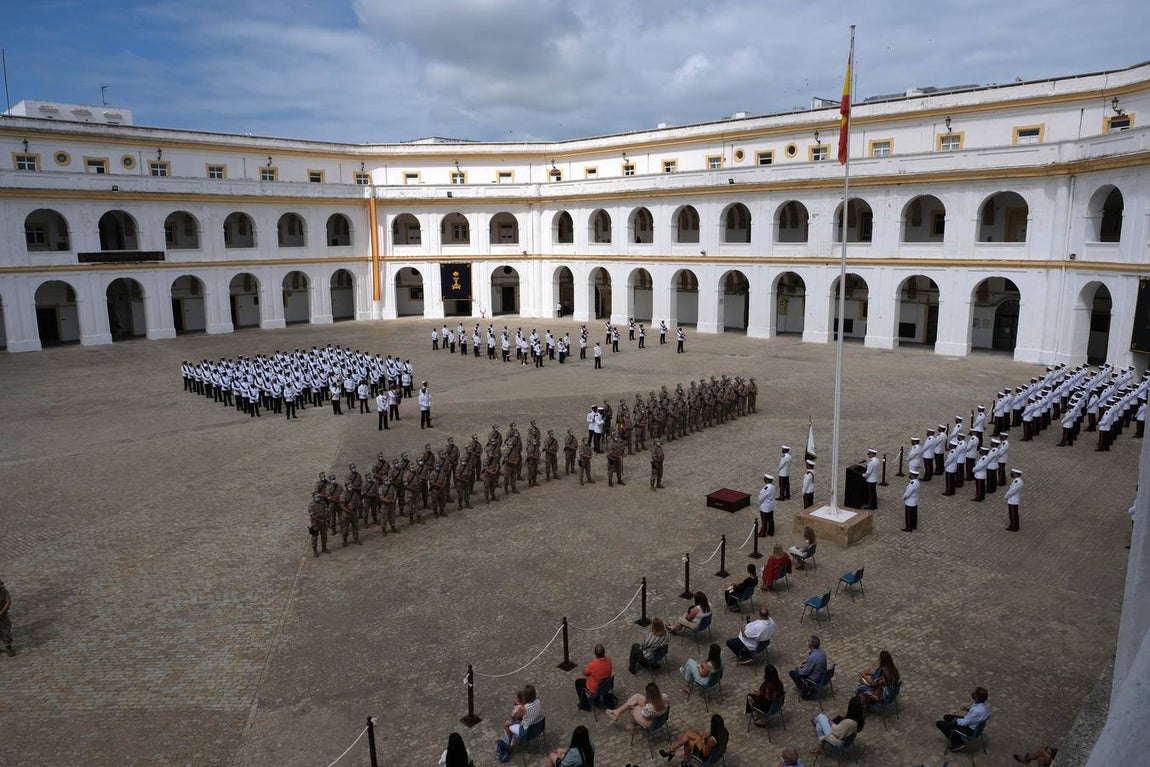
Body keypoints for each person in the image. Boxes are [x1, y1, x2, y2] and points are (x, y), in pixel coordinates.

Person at [498, 685, 544, 762]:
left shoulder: (524, 708)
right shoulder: (538, 701)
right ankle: (509, 741)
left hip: (526, 732)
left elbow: (515, 718)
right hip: (538, 727)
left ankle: (508, 745)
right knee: (513, 722)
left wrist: (517, 707)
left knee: (507, 724)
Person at [660, 713, 728, 763]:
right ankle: (673, 751)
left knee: (688, 741)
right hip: (714, 751)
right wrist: (706, 736)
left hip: (704, 755)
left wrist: (703, 740)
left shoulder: (711, 741)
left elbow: (705, 754)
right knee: (688, 732)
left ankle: (675, 753)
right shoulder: (724, 731)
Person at [575, 644, 613, 709]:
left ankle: (584, 705)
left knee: (578, 682)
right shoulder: (609, 660)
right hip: (607, 685)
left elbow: (585, 672)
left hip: (596, 688)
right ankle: (598, 699)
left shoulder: (593, 664)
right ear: (604, 652)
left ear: (595, 654)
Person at [789, 635, 828, 700]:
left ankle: (806, 691)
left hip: (816, 678)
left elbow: (803, 673)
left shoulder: (812, 657)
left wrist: (798, 669)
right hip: (822, 674)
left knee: (793, 673)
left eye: (809, 641)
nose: (807, 642)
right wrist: (807, 664)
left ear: (811, 645)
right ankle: (810, 688)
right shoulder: (821, 652)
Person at [0, 578, 14, 656]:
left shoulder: (3, 591)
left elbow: (8, 601)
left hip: (3, 615)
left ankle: (8, 647)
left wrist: (2, 611)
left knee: (6, 631)